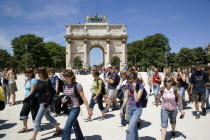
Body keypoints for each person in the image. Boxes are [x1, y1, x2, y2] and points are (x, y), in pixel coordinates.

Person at [23, 67, 62, 140]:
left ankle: (33, 137)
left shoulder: (47, 81)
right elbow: (35, 91)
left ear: (42, 73)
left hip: (44, 103)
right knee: (48, 117)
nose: (37, 74)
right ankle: (59, 129)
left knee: (37, 119)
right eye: (37, 72)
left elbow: (50, 94)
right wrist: (26, 99)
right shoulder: (39, 80)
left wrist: (47, 104)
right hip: (40, 102)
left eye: (38, 72)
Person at [61, 69, 92, 140]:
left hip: (75, 108)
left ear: (71, 76)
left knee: (67, 127)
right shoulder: (64, 85)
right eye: (64, 76)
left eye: (66, 77)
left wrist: (88, 109)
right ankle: (80, 138)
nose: (64, 78)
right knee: (75, 126)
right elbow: (65, 95)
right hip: (68, 108)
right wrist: (63, 99)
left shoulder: (77, 85)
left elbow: (83, 98)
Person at [120, 72, 144, 140]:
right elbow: (126, 97)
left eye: (132, 82)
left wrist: (134, 89)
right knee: (133, 127)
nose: (130, 83)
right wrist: (122, 108)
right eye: (129, 82)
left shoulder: (140, 86)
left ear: (136, 79)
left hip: (137, 109)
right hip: (129, 108)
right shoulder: (128, 85)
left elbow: (136, 99)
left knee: (130, 129)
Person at [18, 68, 39, 133]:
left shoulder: (33, 80)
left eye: (28, 73)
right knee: (24, 112)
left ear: (32, 73)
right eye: (25, 73)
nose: (26, 74)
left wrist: (25, 99)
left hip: (33, 99)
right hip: (28, 99)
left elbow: (32, 91)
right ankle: (25, 127)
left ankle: (37, 127)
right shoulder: (28, 80)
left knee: (34, 113)